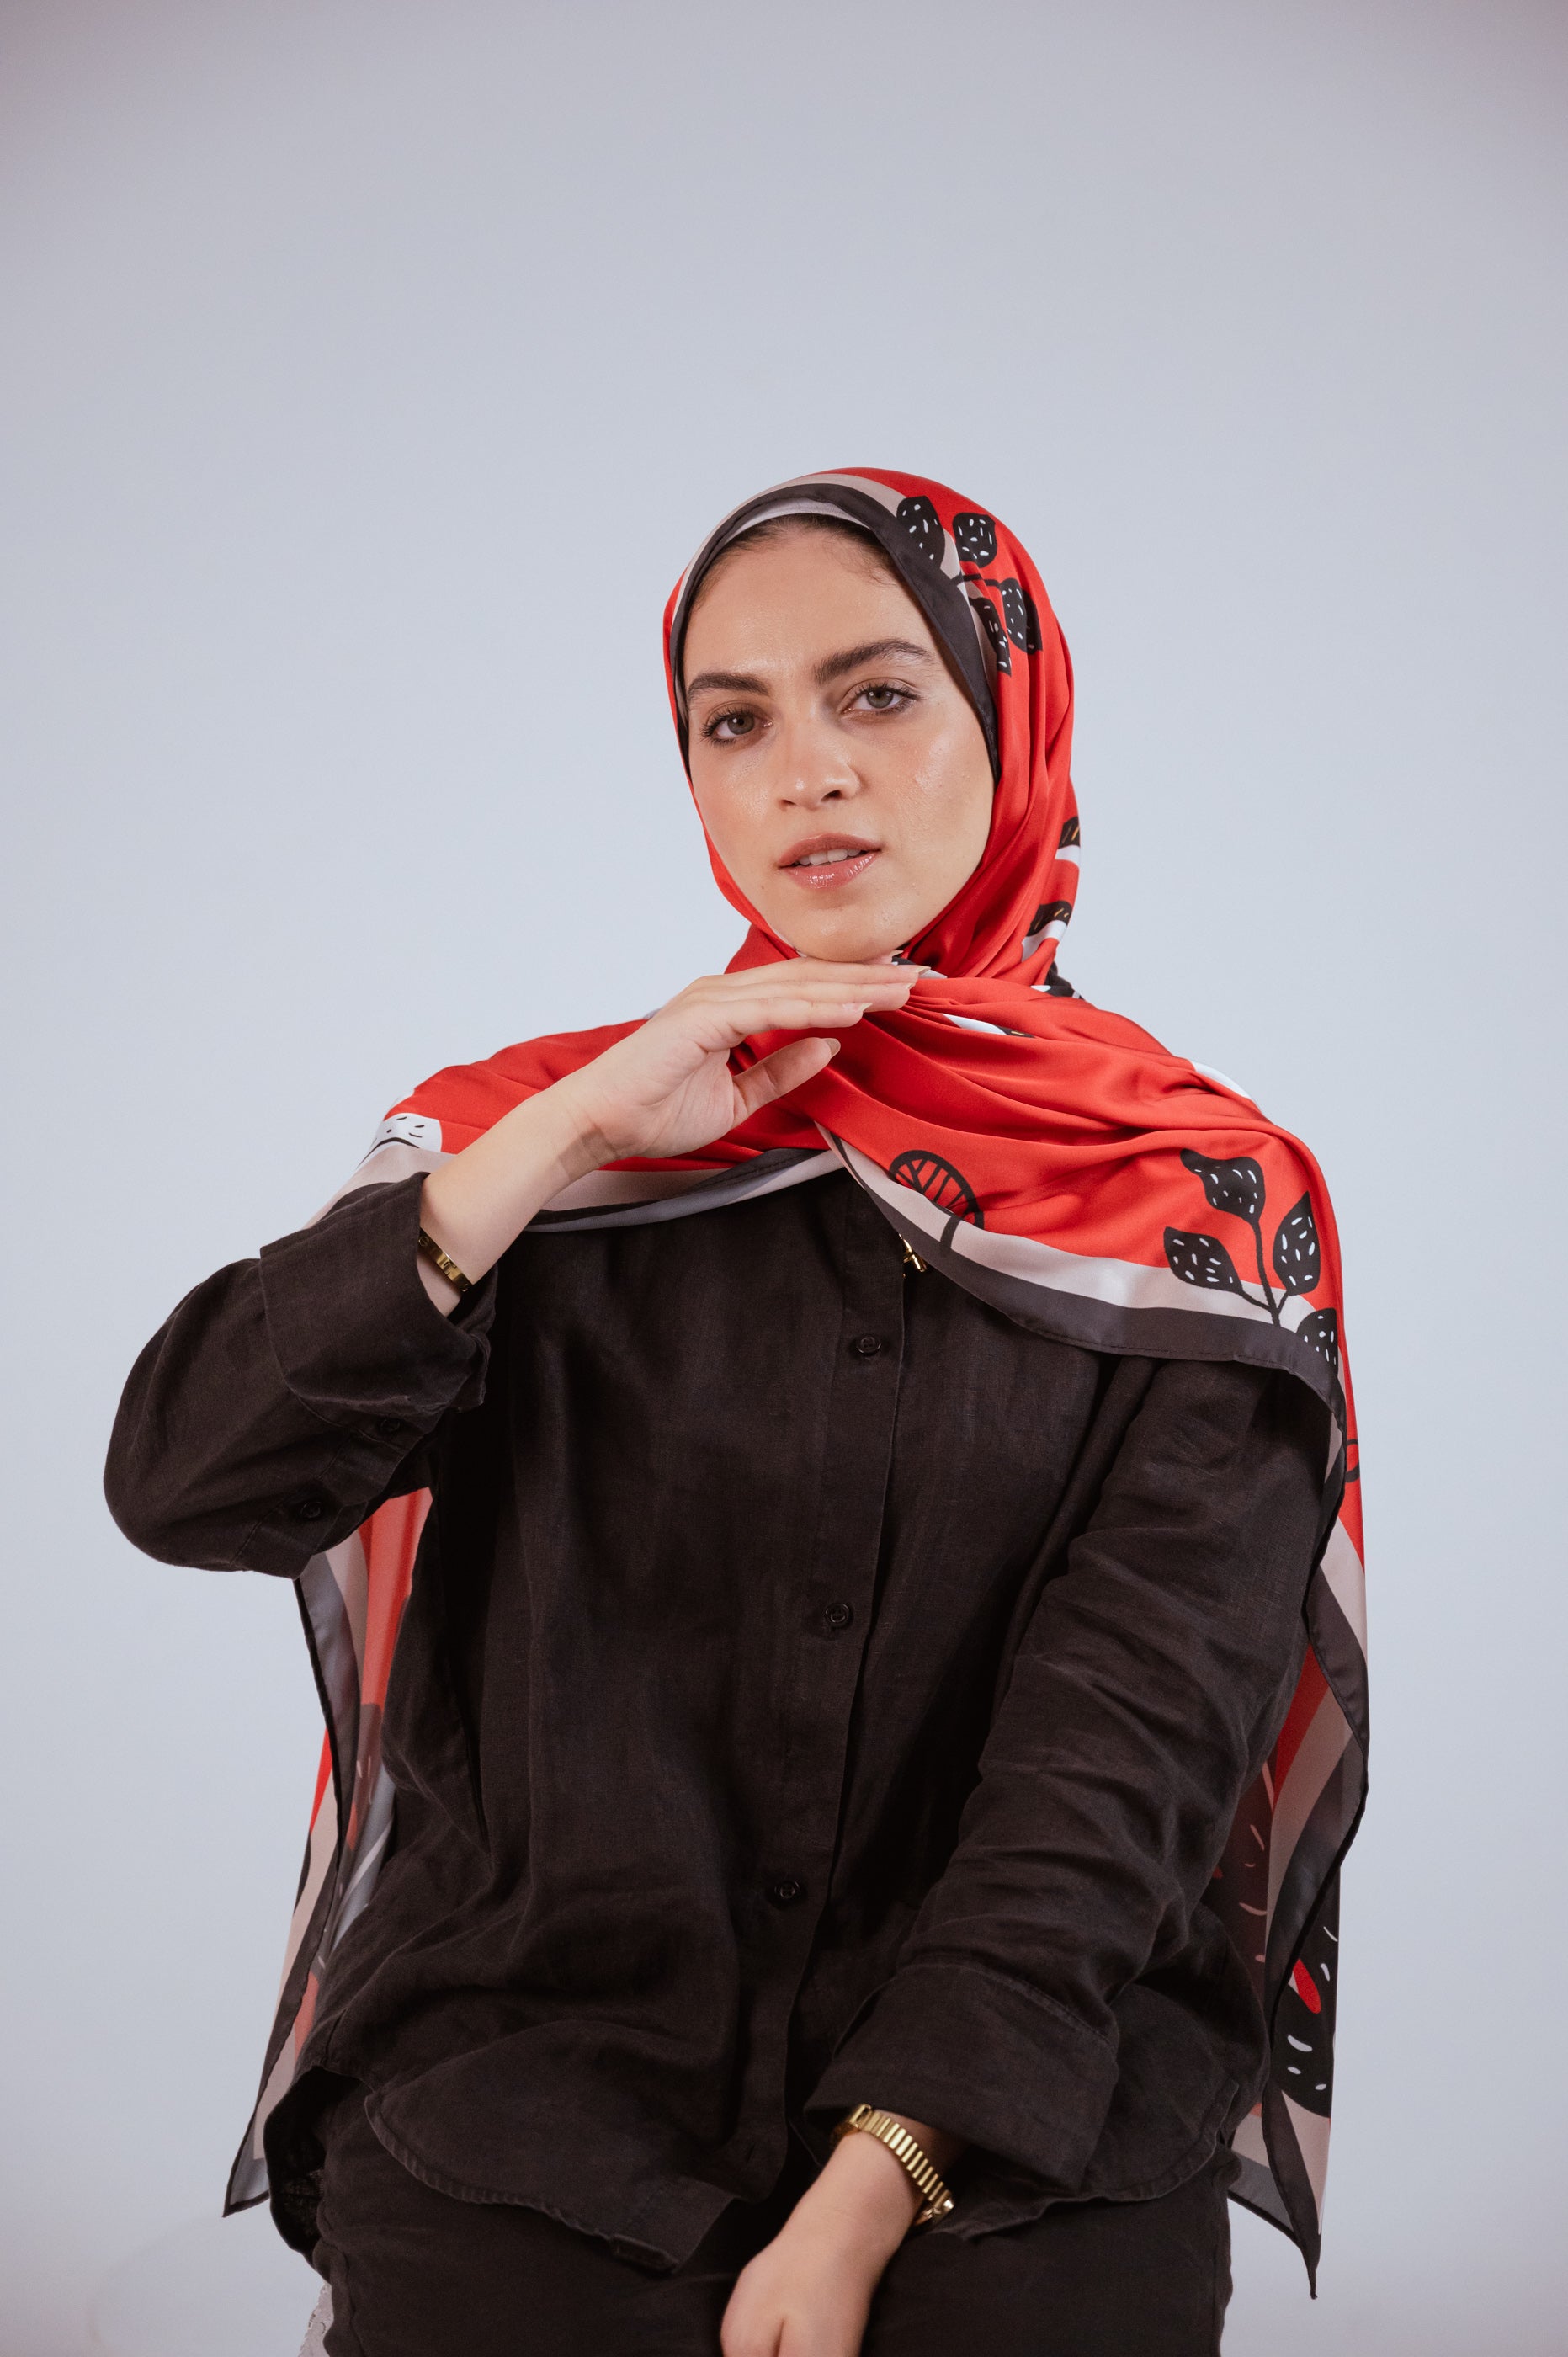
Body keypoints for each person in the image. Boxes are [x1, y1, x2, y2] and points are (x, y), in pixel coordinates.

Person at [105, 469, 1367, 2357]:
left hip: (1023, 2127)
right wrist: (564, 1137)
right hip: (537, 2103)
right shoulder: (549, 1149)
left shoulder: (1192, 1207)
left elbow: (1119, 1766)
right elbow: (190, 1481)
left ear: (1009, 724)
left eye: (875, 694)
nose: (806, 774)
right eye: (734, 718)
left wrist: (865, 2194)